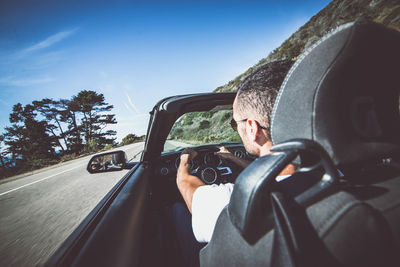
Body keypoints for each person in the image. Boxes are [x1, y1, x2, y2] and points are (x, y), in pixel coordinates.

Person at [173, 59, 295, 266]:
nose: (235, 128)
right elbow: (275, 172)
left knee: (177, 210)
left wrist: (185, 160)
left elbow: (185, 184)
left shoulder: (234, 202)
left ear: (252, 128)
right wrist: (232, 158)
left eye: (234, 123)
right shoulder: (338, 174)